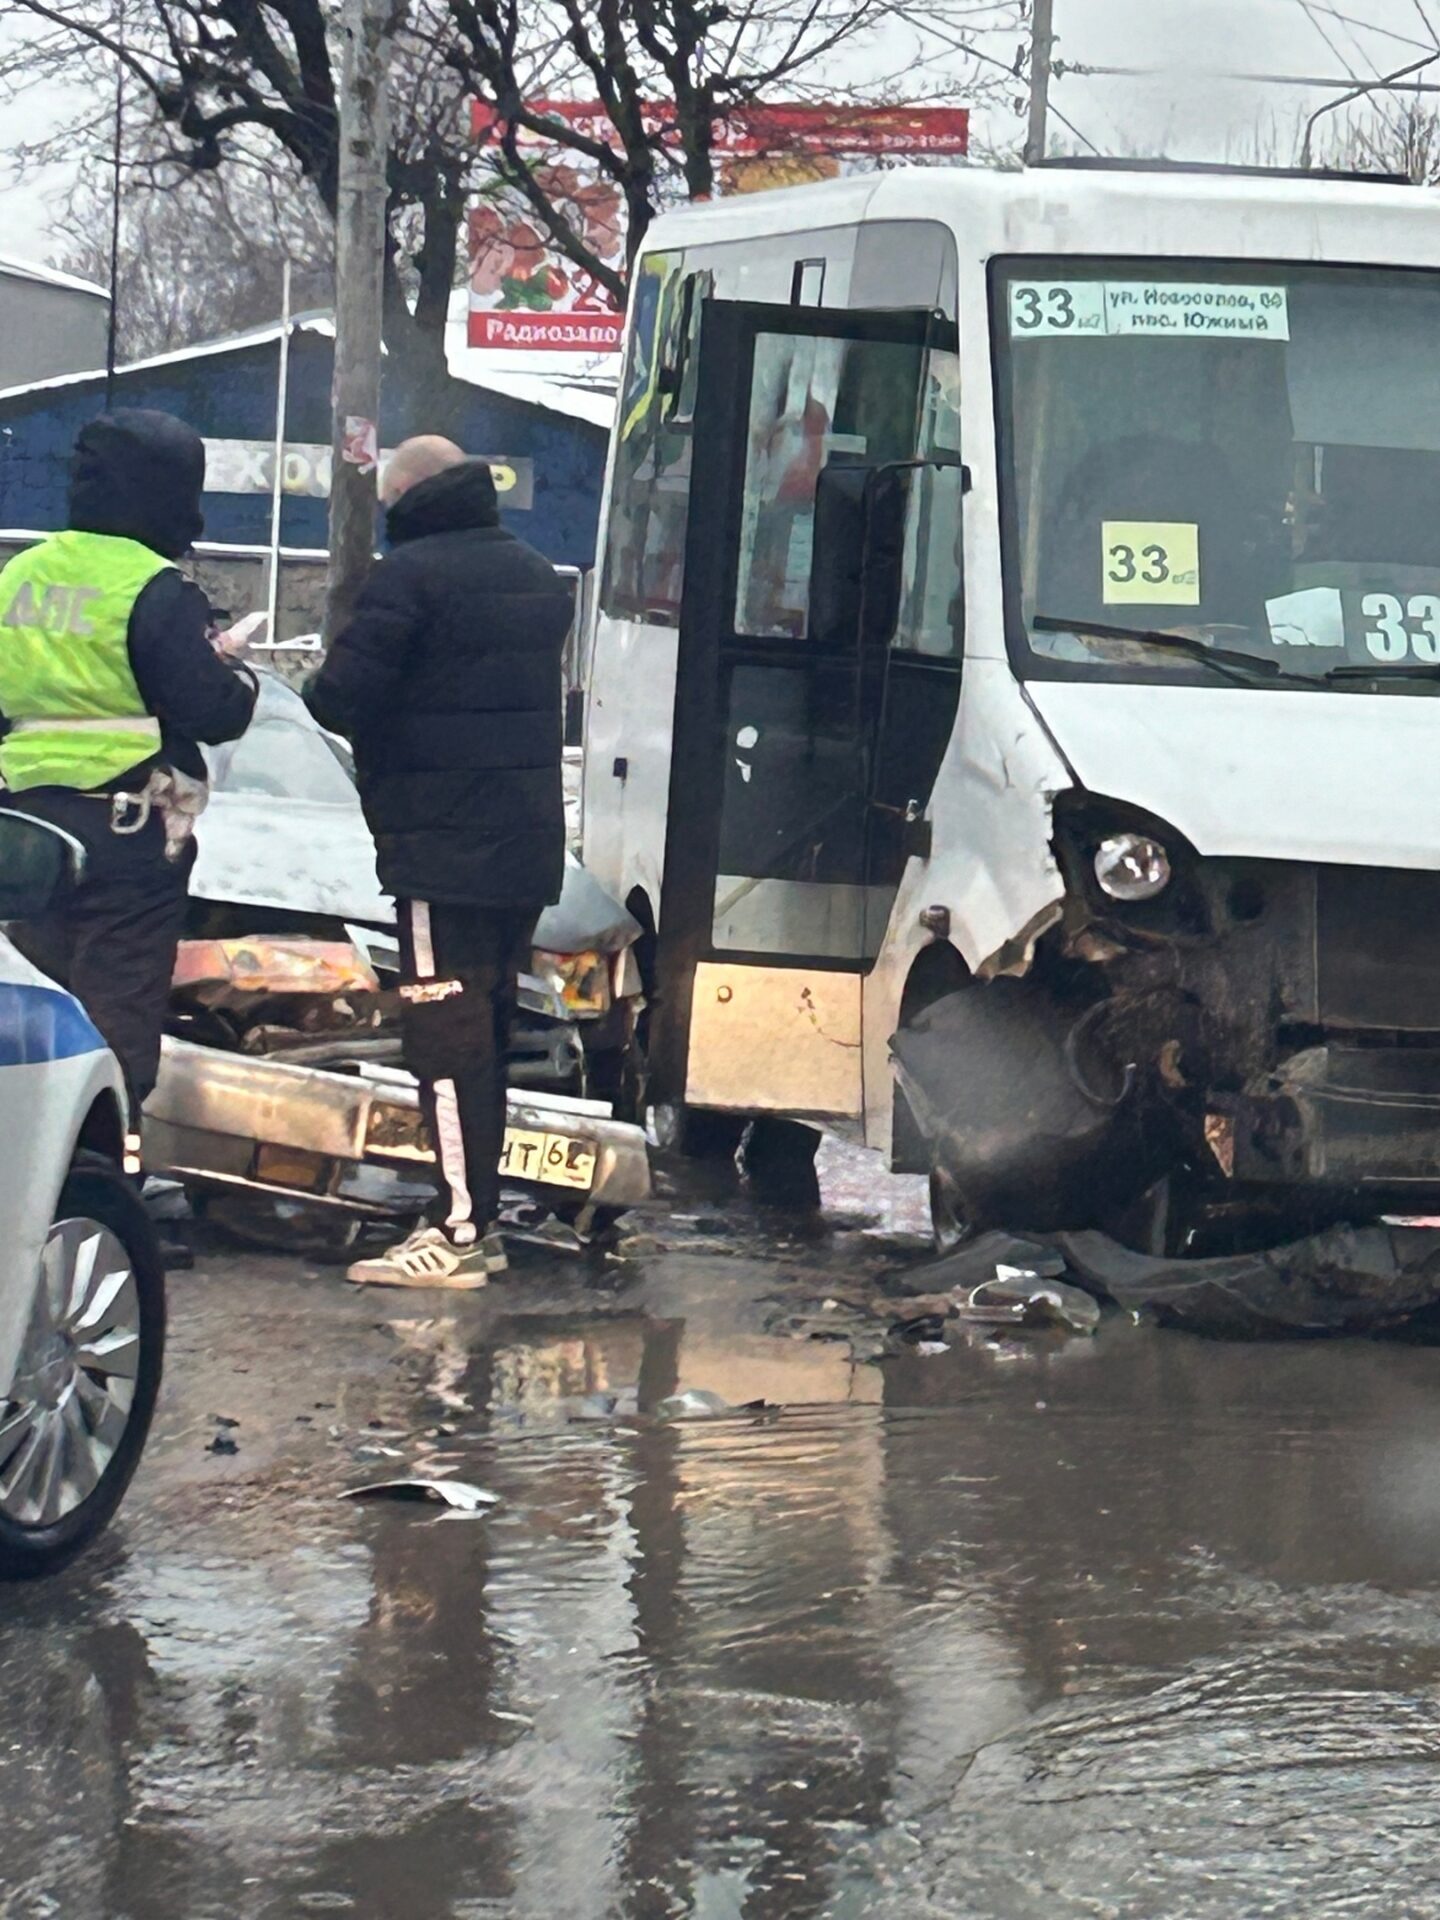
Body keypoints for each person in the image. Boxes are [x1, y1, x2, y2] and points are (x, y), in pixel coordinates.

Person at [304, 436, 572, 1288]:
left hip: (438, 851)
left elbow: (341, 698)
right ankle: (472, 1206)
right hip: (523, 845)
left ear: (409, 494)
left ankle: (459, 1232)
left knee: (443, 1032)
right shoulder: (535, 573)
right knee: (485, 1028)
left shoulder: (409, 577)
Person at [0, 409, 258, 1113]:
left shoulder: (20, 574)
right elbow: (216, 712)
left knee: (32, 1009)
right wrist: (232, 668)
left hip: (26, 833)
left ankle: (23, 1155)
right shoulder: (155, 589)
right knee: (117, 1010)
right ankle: (103, 1168)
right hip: (126, 835)